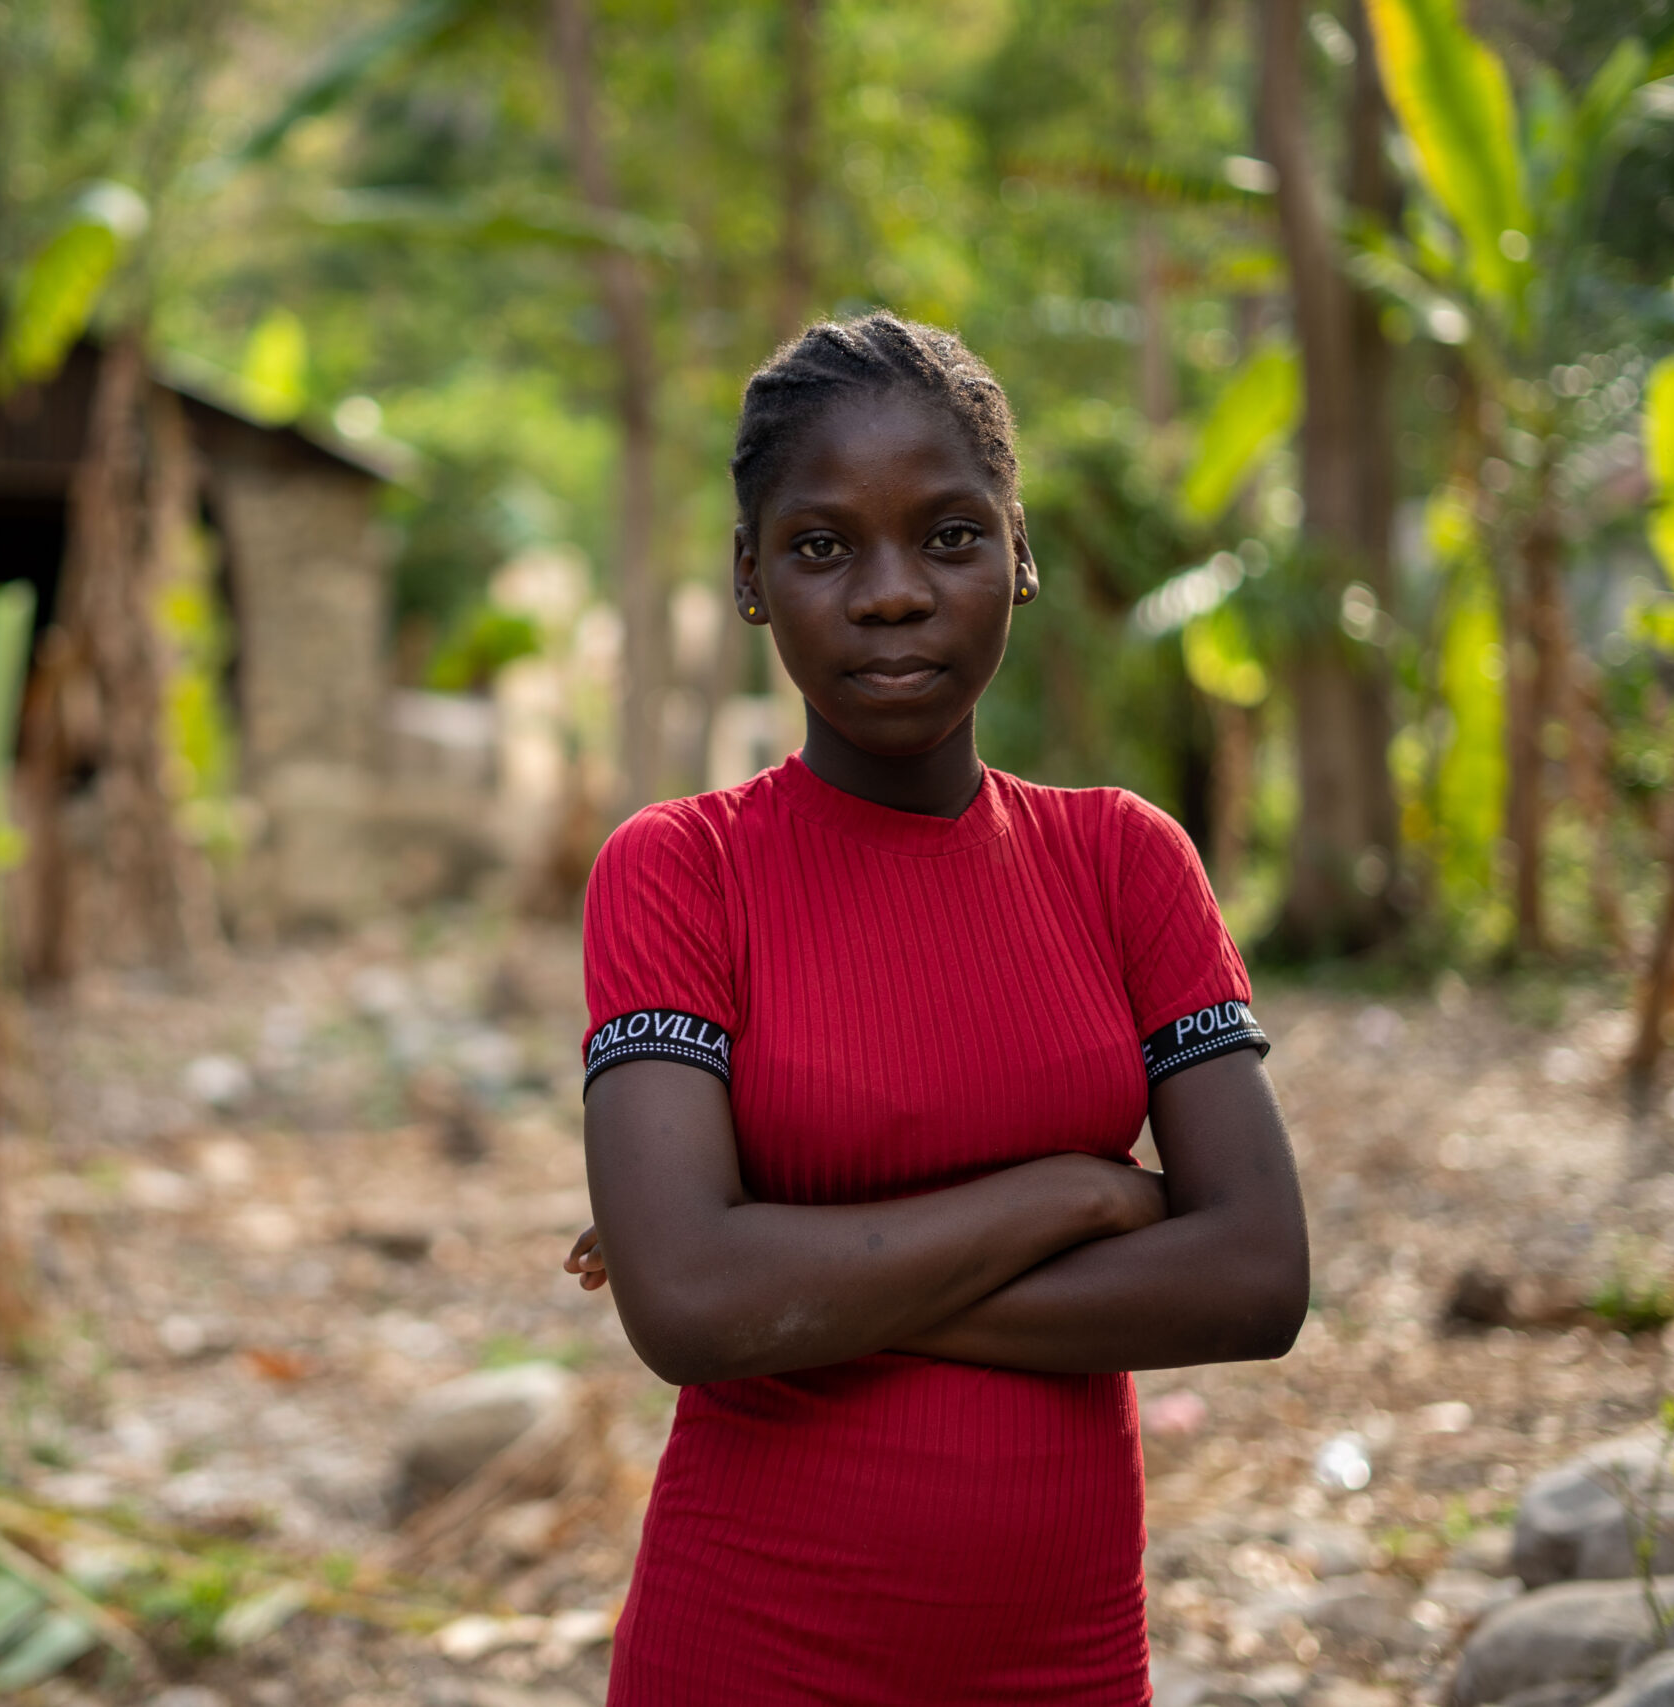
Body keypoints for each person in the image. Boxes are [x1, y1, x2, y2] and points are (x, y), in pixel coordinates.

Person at [560, 312, 1310, 1704]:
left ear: (1018, 553)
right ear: (750, 576)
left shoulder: (1124, 860)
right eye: (822, 546)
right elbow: (692, 1309)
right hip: (748, 1652)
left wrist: (789, 1269)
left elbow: (1257, 1277)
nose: (892, 593)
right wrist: (1082, 1194)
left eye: (950, 536)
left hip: (1065, 1664)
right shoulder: (682, 870)